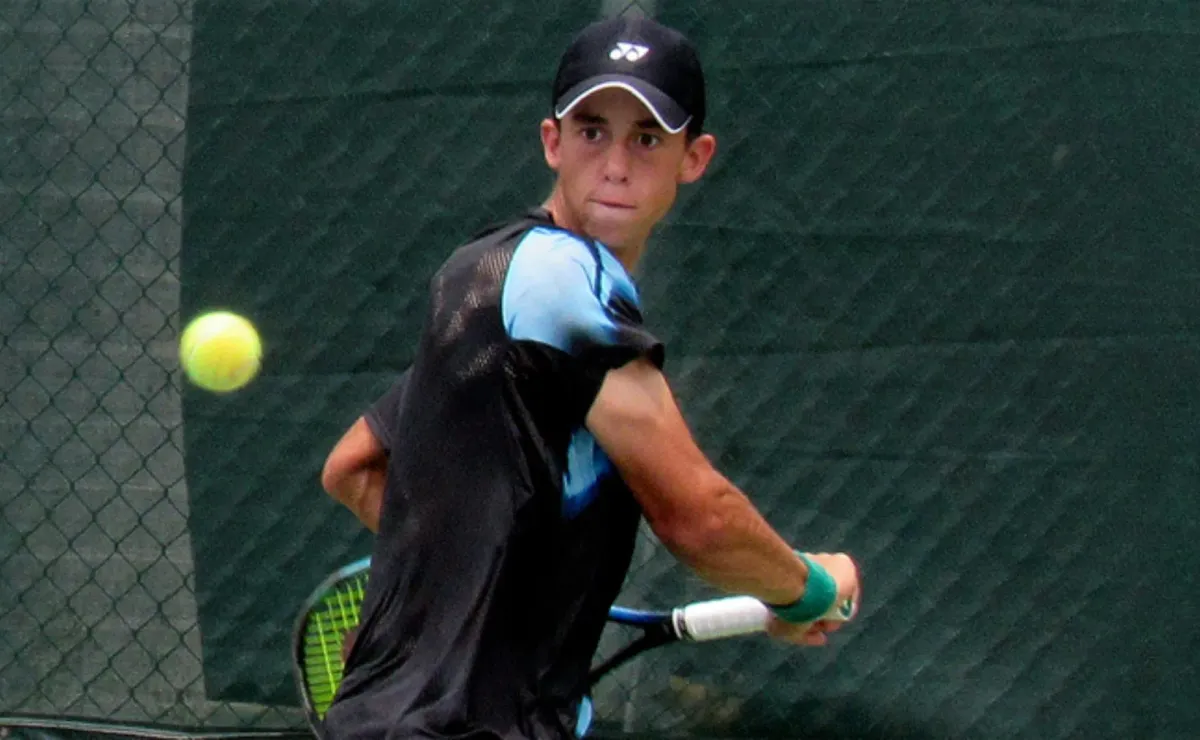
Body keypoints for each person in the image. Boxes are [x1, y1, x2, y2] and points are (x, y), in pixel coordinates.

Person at [318, 15, 861, 740]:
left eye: (647, 138)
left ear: (693, 157)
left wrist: (486, 589)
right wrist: (810, 588)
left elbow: (354, 468)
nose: (615, 164)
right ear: (554, 143)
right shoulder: (560, 279)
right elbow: (698, 517)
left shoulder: (487, 281)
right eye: (592, 131)